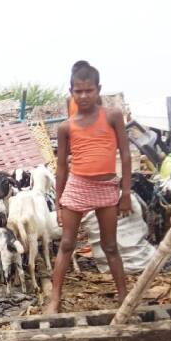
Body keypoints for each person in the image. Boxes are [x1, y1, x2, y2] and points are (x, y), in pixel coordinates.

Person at [47, 61, 131, 314]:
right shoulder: (66, 126)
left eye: (89, 90)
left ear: (98, 90)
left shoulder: (113, 116)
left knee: (110, 247)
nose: (83, 96)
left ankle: (124, 296)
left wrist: (125, 192)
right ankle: (54, 299)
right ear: (71, 91)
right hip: (78, 185)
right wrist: (60, 203)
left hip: (107, 187)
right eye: (78, 91)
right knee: (67, 244)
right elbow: (61, 167)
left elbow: (125, 156)